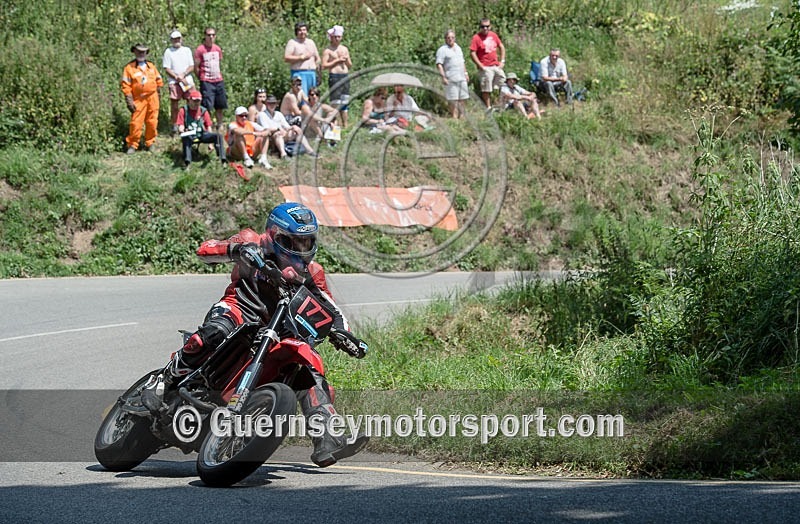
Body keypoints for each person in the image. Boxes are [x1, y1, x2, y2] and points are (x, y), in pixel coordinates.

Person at [145, 202, 369, 467]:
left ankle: (328, 437)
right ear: (274, 234)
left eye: (306, 242)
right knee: (213, 333)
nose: (300, 249)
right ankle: (164, 379)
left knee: (308, 369)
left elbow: (330, 308)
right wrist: (237, 249)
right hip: (239, 310)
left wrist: (344, 333)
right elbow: (205, 250)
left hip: (277, 328)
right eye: (293, 242)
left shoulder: (312, 273)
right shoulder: (252, 241)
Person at [121, 43, 164, 154]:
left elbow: (159, 82)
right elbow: (126, 86)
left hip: (152, 98)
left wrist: (159, 96)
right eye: (139, 51)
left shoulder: (151, 66)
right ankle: (132, 145)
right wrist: (129, 101)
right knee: (136, 123)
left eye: (143, 51)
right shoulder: (129, 68)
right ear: (134, 52)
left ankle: (150, 143)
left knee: (152, 122)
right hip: (138, 99)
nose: (141, 53)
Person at [177, 89, 227, 168]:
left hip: (201, 134)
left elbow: (208, 127)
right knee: (186, 138)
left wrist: (210, 144)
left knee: (218, 136)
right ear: (189, 100)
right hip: (190, 135)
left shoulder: (203, 111)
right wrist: (182, 130)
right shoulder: (183, 110)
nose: (196, 103)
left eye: (198, 101)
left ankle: (222, 159)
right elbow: (180, 126)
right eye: (194, 101)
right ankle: (187, 162)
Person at [162, 30, 195, 135]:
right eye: (175, 39)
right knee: (174, 105)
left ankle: (190, 122)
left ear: (181, 39)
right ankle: (174, 125)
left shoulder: (187, 50)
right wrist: (176, 77)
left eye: (178, 38)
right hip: (174, 81)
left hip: (186, 80)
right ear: (171, 40)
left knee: (191, 101)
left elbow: (191, 66)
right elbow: (166, 68)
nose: (177, 41)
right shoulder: (168, 51)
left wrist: (183, 74)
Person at [195, 27, 228, 129]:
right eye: (209, 35)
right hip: (206, 81)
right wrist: (201, 78)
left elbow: (219, 63)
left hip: (218, 80)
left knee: (220, 104)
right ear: (205, 36)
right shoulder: (200, 50)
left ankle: (220, 123)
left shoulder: (217, 49)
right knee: (207, 105)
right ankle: (207, 124)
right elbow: (196, 67)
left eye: (213, 35)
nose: (211, 37)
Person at [469, 18, 506, 109]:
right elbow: (472, 52)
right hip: (485, 67)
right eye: (483, 27)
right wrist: (480, 65)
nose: (485, 28)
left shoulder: (493, 35)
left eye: (487, 26)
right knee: (486, 88)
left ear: (490, 26)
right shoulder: (476, 38)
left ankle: (498, 103)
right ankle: (488, 107)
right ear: (480, 27)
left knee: (502, 80)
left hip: (495, 65)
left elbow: (501, 47)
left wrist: (502, 61)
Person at [321, 24, 352, 127]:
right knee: (335, 102)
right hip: (335, 76)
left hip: (345, 76)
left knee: (345, 101)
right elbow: (324, 65)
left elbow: (350, 65)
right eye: (335, 37)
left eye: (339, 37)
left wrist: (346, 60)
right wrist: (337, 61)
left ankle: (345, 124)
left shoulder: (345, 49)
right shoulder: (328, 50)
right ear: (331, 37)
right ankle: (336, 124)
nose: (337, 39)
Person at [436, 29, 469, 119]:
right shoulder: (442, 50)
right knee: (453, 98)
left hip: (461, 76)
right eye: (448, 38)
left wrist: (466, 73)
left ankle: (462, 115)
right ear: (445, 39)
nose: (450, 39)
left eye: (452, 37)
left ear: (455, 38)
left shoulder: (458, 48)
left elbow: (462, 62)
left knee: (463, 97)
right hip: (451, 77)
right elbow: (439, 64)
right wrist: (443, 77)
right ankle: (454, 117)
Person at [284, 21, 321, 95]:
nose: (302, 32)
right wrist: (301, 57)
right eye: (300, 30)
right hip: (299, 73)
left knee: (312, 96)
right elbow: (286, 58)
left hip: (311, 73)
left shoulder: (311, 42)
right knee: (301, 96)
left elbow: (318, 58)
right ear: (296, 32)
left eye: (304, 30)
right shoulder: (292, 42)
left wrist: (319, 73)